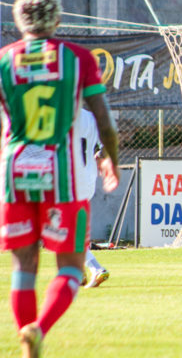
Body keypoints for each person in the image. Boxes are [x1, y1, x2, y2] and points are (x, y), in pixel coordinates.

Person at [0, 0, 120, 358]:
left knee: (23, 266)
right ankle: (39, 329)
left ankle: (27, 345)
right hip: (61, 176)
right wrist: (110, 155)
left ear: (18, 21)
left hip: (14, 175)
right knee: (70, 266)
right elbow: (105, 121)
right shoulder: (78, 59)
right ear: (58, 19)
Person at [74, 108, 110, 289]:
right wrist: (99, 156)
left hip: (69, 177)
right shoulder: (90, 116)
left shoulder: (57, 112)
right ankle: (78, 272)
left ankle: (95, 268)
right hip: (89, 178)